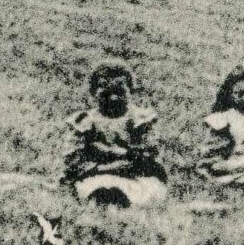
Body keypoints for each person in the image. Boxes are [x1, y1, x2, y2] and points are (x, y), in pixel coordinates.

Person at [63, 63, 168, 207]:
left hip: (136, 178)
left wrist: (109, 156)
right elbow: (73, 160)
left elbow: (151, 157)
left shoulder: (142, 120)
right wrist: (118, 158)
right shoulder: (84, 122)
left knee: (144, 190)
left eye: (119, 91)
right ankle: (103, 198)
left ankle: (123, 200)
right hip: (97, 176)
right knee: (94, 187)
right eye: (105, 93)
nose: (113, 98)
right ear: (94, 92)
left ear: (130, 91)